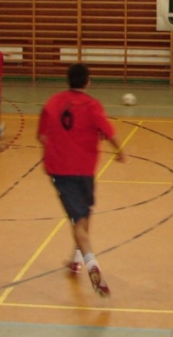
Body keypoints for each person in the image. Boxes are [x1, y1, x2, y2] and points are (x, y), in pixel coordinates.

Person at [37, 63, 126, 298]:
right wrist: (120, 151)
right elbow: (109, 132)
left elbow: (42, 136)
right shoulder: (92, 105)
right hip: (85, 170)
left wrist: (52, 150)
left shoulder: (52, 102)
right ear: (87, 82)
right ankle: (80, 260)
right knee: (82, 217)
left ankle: (87, 261)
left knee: (79, 219)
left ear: (68, 80)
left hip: (60, 170)